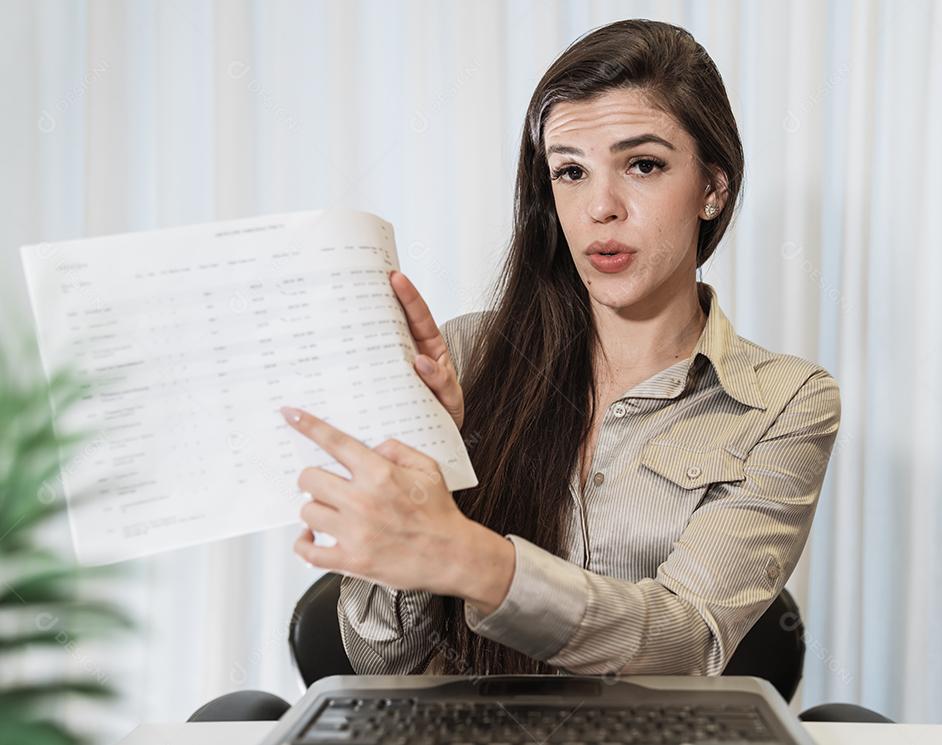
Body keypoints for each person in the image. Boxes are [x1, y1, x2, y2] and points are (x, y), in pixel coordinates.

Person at [286, 18, 841, 678]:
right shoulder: (462, 355)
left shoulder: (785, 402)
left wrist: (471, 558)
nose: (600, 207)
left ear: (713, 189)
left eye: (643, 165)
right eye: (571, 171)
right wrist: (430, 458)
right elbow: (382, 662)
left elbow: (688, 642)